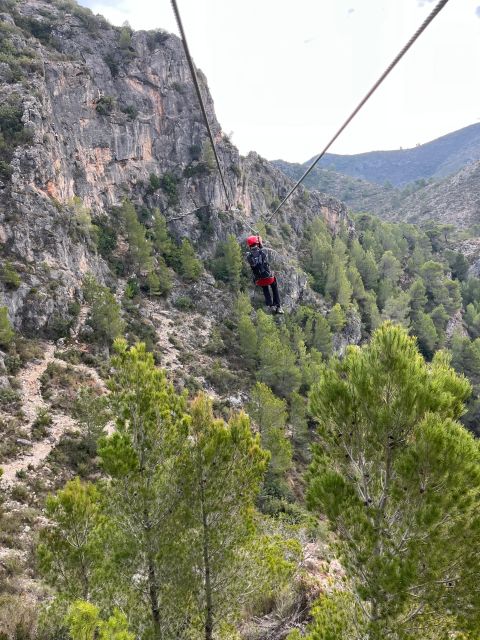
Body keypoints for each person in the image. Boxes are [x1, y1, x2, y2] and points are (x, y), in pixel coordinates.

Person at [245, 235, 284, 314]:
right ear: (257, 243)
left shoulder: (248, 257)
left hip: (259, 280)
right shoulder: (264, 252)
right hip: (268, 277)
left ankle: (270, 305)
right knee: (274, 286)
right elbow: (262, 250)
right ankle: (278, 306)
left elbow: (254, 255)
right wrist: (260, 241)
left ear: (249, 245)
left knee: (265, 287)